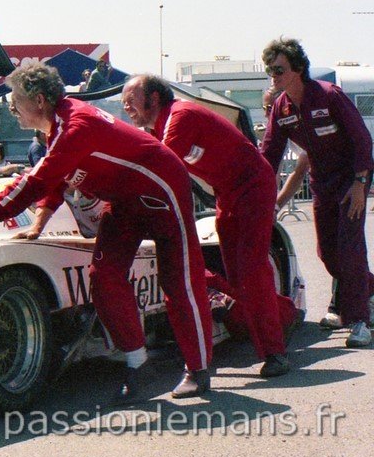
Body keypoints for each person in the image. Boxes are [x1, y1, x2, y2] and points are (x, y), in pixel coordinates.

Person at [0, 65, 212, 402]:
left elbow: (36, 181)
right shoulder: (57, 129)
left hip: (162, 191)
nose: (13, 111)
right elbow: (54, 183)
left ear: (39, 101)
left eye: (16, 104)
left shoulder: (76, 124)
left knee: (180, 282)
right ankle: (138, 363)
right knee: (103, 277)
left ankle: (198, 370)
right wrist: (39, 225)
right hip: (124, 201)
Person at [122, 74, 294, 377]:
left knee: (252, 271)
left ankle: (275, 352)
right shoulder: (159, 126)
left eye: (131, 97)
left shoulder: (181, 116)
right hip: (227, 193)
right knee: (238, 277)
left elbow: (158, 168)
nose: (125, 105)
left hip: (253, 187)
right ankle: (285, 316)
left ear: (154, 98)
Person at [259, 37, 374, 348]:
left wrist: (361, 183)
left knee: (350, 250)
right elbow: (269, 155)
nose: (274, 75)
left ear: (297, 68)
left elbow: (363, 140)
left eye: (279, 69)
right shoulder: (281, 108)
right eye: (270, 70)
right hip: (322, 183)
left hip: (352, 181)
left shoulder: (328, 96)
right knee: (328, 253)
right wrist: (259, 195)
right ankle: (367, 293)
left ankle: (360, 320)